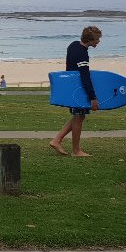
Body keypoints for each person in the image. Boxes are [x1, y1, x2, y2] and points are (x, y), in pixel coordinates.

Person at [49, 25, 102, 157]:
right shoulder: (82, 54)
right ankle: (76, 150)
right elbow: (85, 77)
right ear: (90, 40)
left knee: (79, 116)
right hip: (78, 90)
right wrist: (93, 97)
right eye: (97, 39)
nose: (98, 42)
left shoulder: (73, 45)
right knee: (78, 117)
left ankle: (57, 140)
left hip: (72, 87)